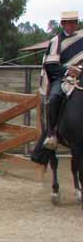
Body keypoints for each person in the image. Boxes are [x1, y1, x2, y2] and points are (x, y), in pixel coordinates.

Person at [42, 10, 82, 149]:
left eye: (73, 22)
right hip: (62, 78)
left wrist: (80, 71)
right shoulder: (56, 41)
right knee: (54, 97)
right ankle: (51, 134)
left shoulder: (82, 39)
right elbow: (50, 66)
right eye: (68, 23)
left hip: (81, 76)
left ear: (76, 24)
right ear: (63, 24)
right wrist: (67, 70)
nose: (71, 25)